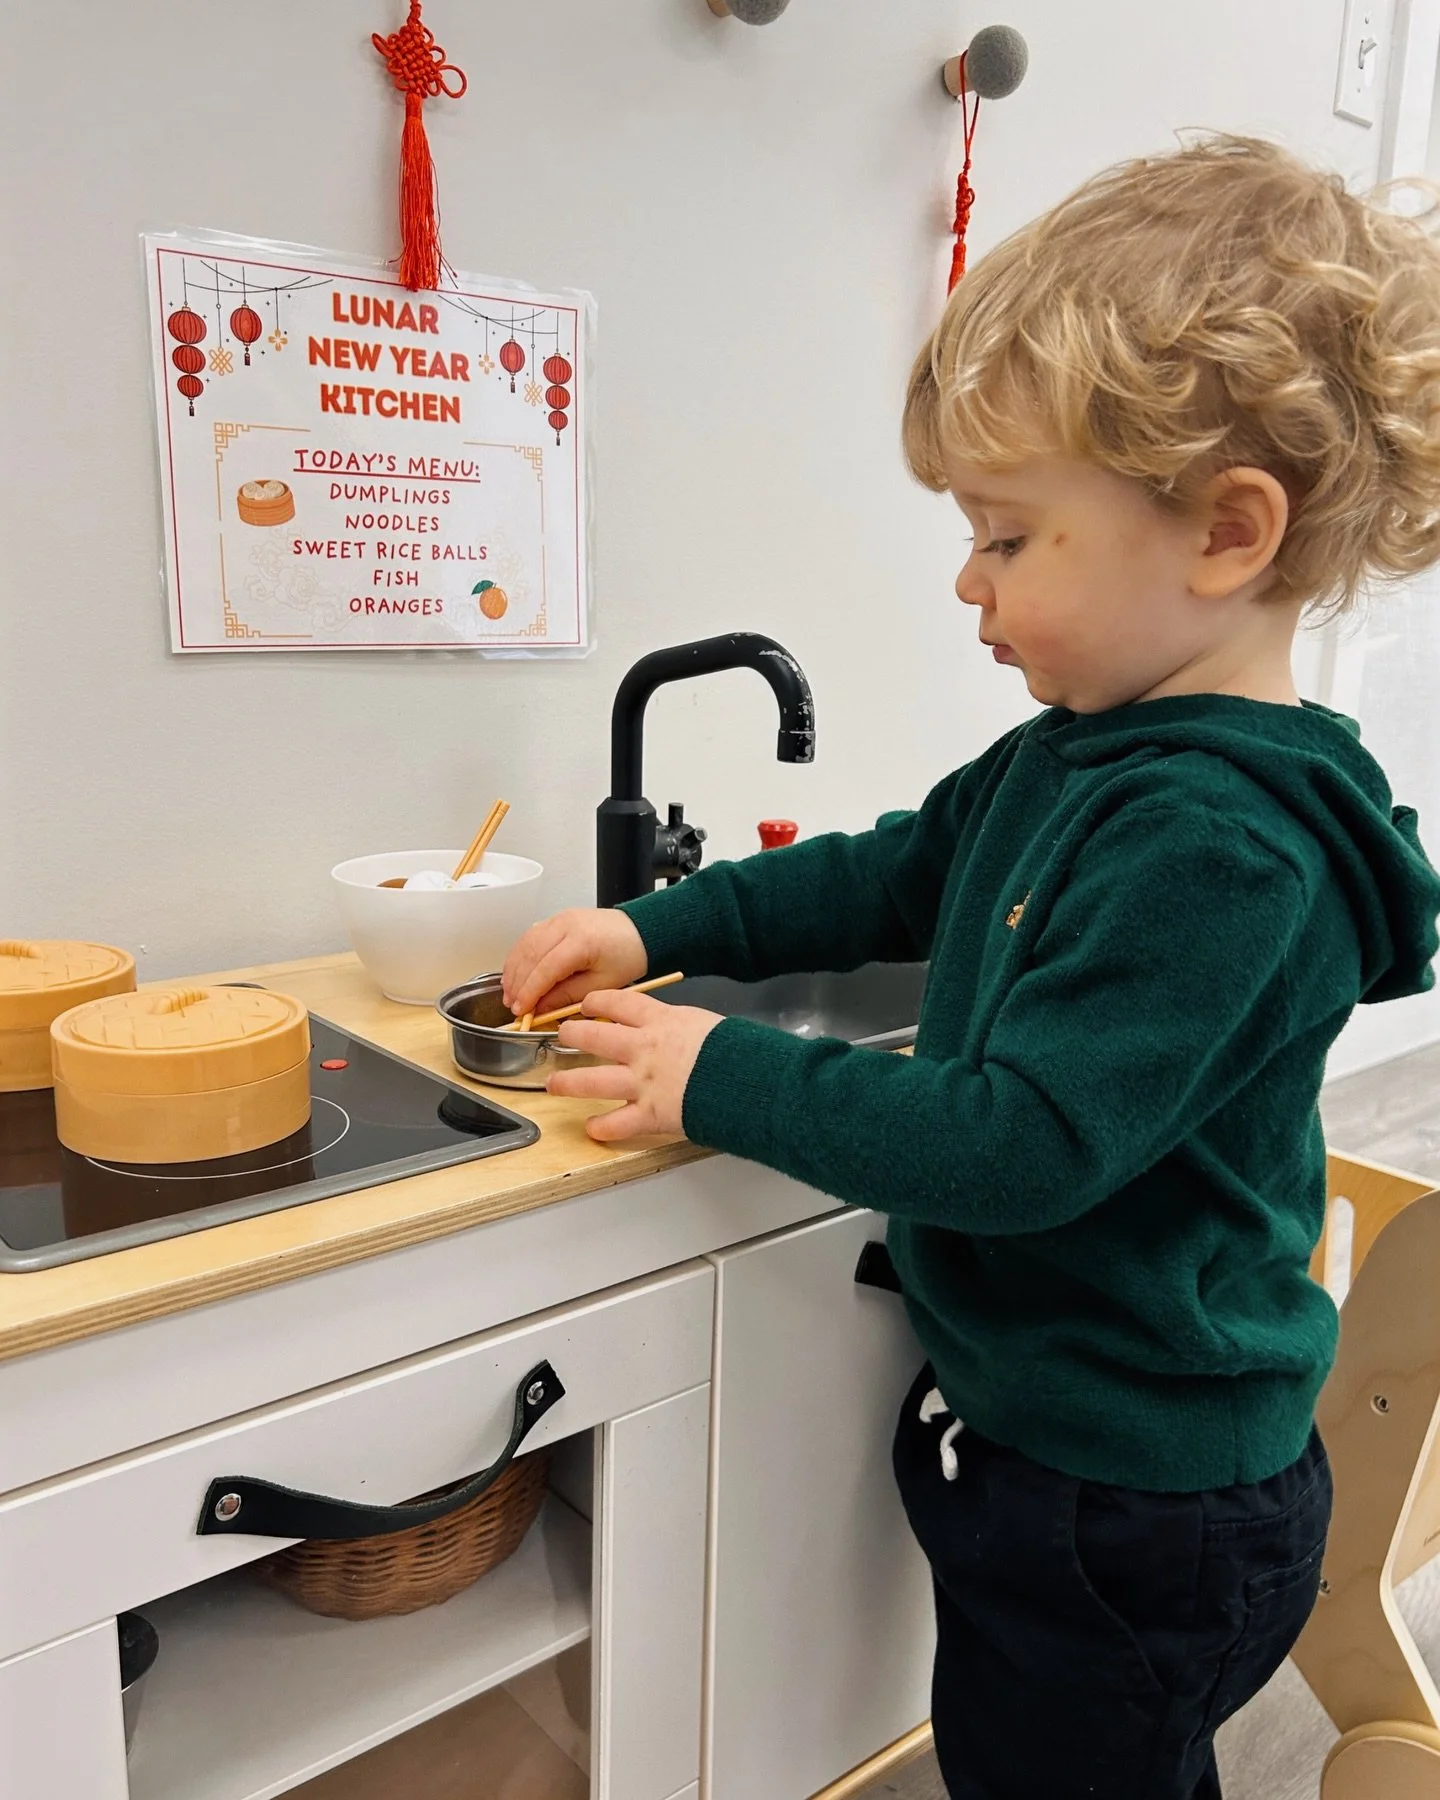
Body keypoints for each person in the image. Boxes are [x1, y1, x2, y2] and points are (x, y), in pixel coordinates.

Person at [502, 135, 1440, 1798]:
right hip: (1069, 1456)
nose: (966, 579)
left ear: (1226, 534)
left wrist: (720, 1073)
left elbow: (1018, 1143)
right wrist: (663, 925)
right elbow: (899, 872)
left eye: (1009, 537)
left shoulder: (1225, 849)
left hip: (1138, 1505)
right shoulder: (1077, 751)